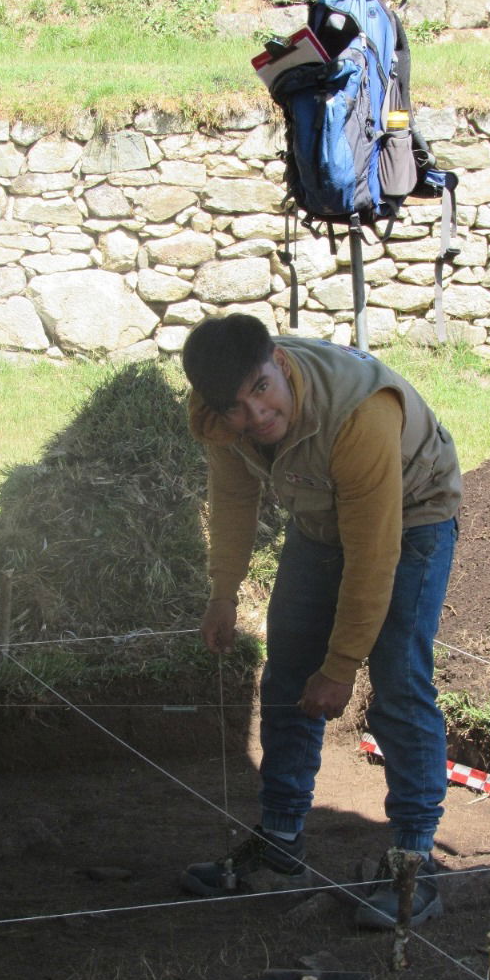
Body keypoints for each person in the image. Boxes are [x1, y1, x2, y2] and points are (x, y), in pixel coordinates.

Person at [179, 313, 462, 928]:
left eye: (261, 390)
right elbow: (232, 497)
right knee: (286, 680)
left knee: (397, 684)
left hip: (410, 518)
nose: (254, 417)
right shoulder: (218, 419)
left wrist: (340, 668)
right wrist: (223, 592)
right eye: (235, 407)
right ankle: (280, 840)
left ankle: (415, 863)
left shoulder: (360, 414)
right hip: (317, 518)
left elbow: (373, 553)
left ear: (278, 362)